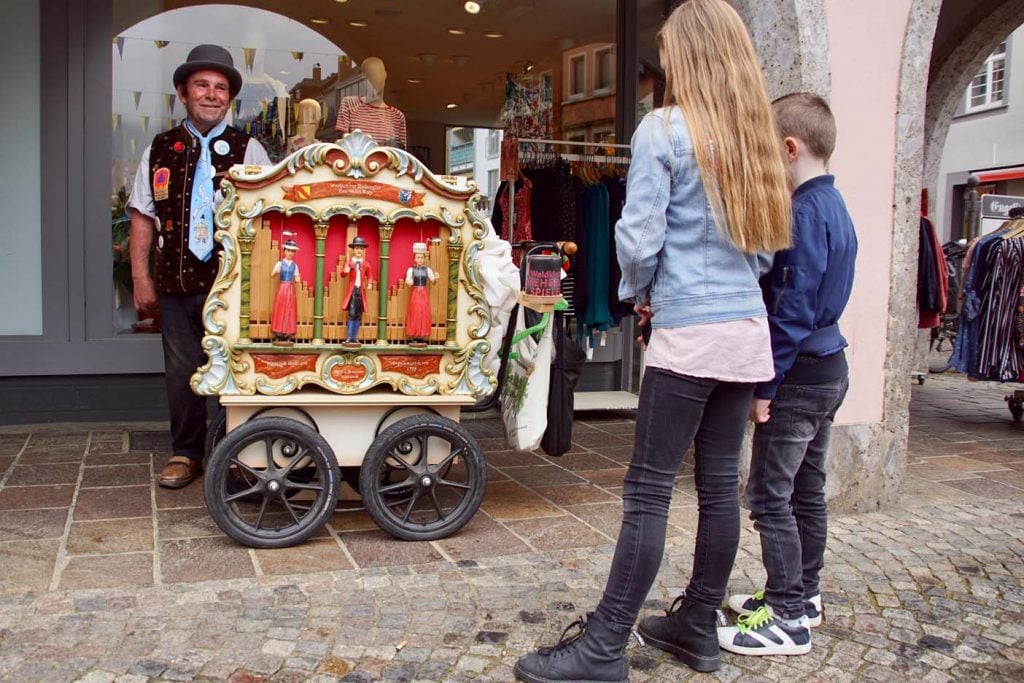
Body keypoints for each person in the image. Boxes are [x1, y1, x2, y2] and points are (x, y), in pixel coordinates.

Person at [513, 1, 792, 681]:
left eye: (668, 51)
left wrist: (639, 292)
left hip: (691, 329)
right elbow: (763, 256)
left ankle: (605, 643)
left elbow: (638, 238)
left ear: (687, 57)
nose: (662, 62)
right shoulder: (756, 137)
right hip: (744, 329)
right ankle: (697, 625)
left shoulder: (665, 129)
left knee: (648, 489)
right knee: (720, 484)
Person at [718, 93, 858, 656]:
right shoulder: (837, 204)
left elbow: (792, 309)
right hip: (829, 367)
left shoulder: (801, 212)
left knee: (771, 495)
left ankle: (787, 616)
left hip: (799, 376)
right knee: (807, 490)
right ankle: (805, 594)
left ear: (789, 148)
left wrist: (764, 387)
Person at [128, 44, 270, 489]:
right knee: (182, 371)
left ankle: (237, 453)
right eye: (202, 86)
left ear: (230, 97)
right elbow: (141, 216)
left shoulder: (250, 150)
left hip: (234, 286)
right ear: (183, 93)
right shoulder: (159, 148)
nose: (212, 95)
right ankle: (185, 453)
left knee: (238, 368)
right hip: (176, 282)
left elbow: (269, 219)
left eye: (221, 88)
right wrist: (140, 277)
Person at [335, 57, 408, 148]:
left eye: (377, 74)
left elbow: (400, 155)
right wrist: (383, 145)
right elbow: (343, 145)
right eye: (370, 75)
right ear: (363, 78)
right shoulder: (350, 104)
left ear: (385, 75)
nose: (375, 78)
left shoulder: (397, 116)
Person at [405, 242, 438, 346]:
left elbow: (433, 281)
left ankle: (422, 335)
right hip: (415, 292)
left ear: (424, 258)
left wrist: (436, 278)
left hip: (423, 292)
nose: (419, 259)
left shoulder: (427, 270)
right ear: (414, 258)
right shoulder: (411, 270)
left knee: (423, 312)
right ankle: (414, 335)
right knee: (415, 312)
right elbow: (408, 280)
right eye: (418, 257)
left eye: (421, 257)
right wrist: (408, 282)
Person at [342, 236, 372, 346]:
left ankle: (355, 337)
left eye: (360, 248)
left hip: (361, 292)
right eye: (357, 248)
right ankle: (350, 337)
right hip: (352, 291)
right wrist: (345, 271)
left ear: (363, 250)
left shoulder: (366, 264)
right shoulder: (350, 263)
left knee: (358, 315)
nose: (359, 250)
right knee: (352, 314)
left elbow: (370, 276)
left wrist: (369, 283)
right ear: (353, 250)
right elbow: (342, 274)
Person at [270, 238, 300, 345]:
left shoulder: (295, 266)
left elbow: (297, 279)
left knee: (289, 310)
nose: (290, 253)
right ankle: (279, 332)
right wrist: (276, 270)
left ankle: (287, 333)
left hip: (290, 289)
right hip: (282, 288)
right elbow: (272, 274)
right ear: (284, 251)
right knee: (280, 308)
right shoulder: (279, 264)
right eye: (288, 250)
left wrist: (297, 278)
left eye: (292, 251)